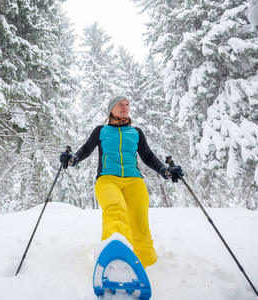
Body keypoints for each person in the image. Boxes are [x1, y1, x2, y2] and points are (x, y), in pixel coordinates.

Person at [60, 95, 184, 267]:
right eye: (120, 104)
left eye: (127, 104)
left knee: (139, 221)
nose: (125, 107)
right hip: (107, 180)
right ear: (111, 109)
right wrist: (73, 159)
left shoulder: (136, 132)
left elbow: (147, 156)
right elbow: (86, 149)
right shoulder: (101, 130)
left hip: (134, 181)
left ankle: (145, 265)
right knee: (115, 210)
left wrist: (165, 170)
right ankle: (113, 258)